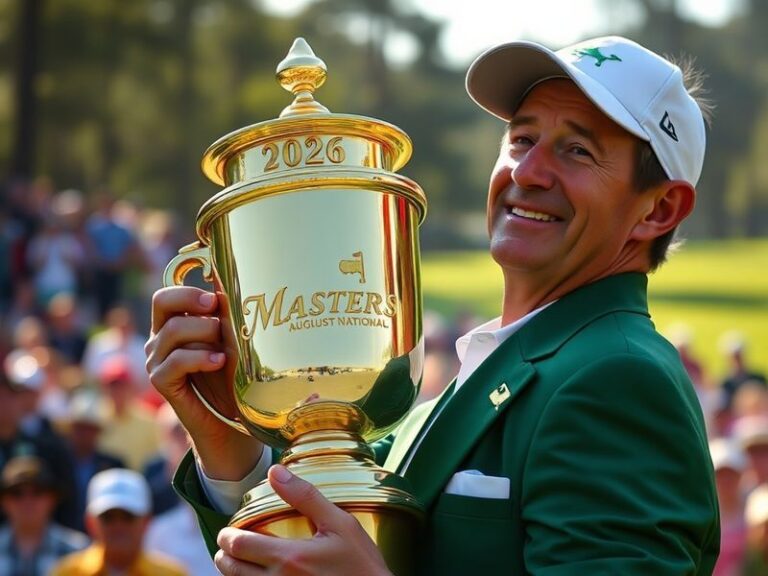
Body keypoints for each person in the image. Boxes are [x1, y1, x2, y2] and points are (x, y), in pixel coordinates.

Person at [145, 35, 720, 574]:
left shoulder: (618, 381)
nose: (527, 171)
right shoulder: (455, 391)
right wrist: (229, 447)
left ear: (660, 209)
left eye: (576, 150)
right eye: (521, 139)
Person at [50, 468, 187, 576]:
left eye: (128, 516)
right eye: (108, 517)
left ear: (146, 522)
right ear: (91, 523)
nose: (118, 526)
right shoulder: (65, 573)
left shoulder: (173, 574)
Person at [0, 455, 89, 576]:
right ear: (3, 501)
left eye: (37, 492)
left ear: (52, 499)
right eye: (17, 493)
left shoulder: (80, 553)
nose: (28, 501)